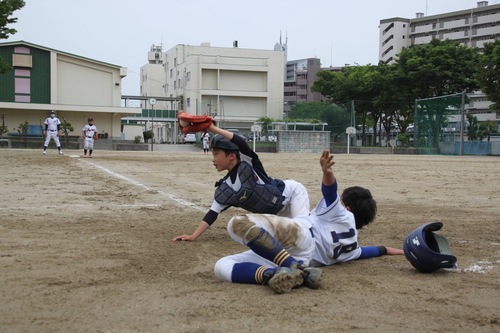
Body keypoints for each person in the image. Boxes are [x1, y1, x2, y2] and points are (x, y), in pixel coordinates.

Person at [213, 150, 404, 294]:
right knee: (221, 266)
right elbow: (370, 251)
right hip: (298, 255)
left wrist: (327, 171)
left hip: (300, 236)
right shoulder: (352, 248)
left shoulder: (343, 214)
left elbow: (329, 191)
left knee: (237, 223)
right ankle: (273, 274)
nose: (339, 201)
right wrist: (389, 250)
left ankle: (295, 267)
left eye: (343, 200)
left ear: (348, 207)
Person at [174, 123, 310, 242]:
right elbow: (212, 214)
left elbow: (240, 142)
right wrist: (193, 236)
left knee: (305, 232)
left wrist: (214, 129)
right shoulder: (226, 187)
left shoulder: (246, 161)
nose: (213, 159)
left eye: (216, 154)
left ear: (231, 155)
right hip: (276, 214)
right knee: (289, 237)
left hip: (292, 194)